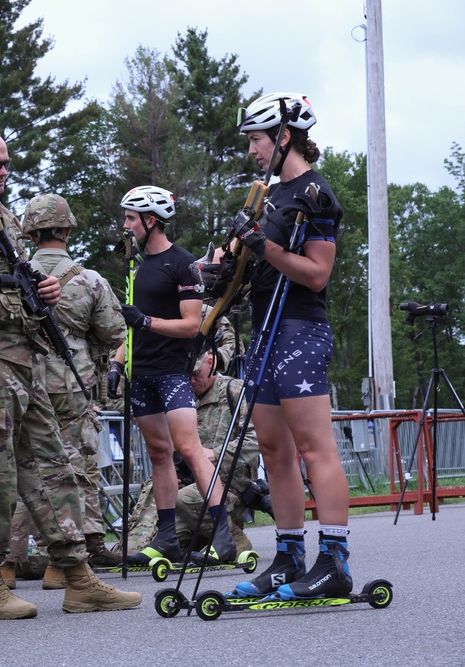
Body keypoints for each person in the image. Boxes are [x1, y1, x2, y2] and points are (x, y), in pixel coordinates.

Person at [0, 126, 141, 619]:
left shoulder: (3, 218)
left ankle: (78, 576)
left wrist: (45, 291)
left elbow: (13, 281)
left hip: (25, 358)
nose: (1, 172)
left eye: (5, 164)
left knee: (52, 464)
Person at [230, 92, 349, 600]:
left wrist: (267, 248)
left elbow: (318, 276)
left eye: (257, 139)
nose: (252, 150)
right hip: (264, 329)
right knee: (274, 452)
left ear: (283, 137)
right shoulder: (267, 195)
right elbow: (252, 262)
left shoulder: (316, 194)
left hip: (300, 328)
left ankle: (334, 560)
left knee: (312, 447)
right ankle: (288, 556)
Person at [7, 193, 127, 588]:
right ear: (68, 229)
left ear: (30, 231)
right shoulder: (90, 280)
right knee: (71, 469)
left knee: (27, 469)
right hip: (72, 383)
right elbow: (113, 333)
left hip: (22, 379)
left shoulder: (12, 275)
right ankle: (66, 562)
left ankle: (10, 560)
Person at [117, 185, 237, 566]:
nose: (125, 225)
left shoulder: (182, 264)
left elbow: (190, 325)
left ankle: (224, 536)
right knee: (159, 454)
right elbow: (131, 327)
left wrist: (147, 321)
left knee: (190, 449)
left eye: (131, 218)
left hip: (171, 372)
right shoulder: (137, 266)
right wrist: (116, 363)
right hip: (143, 373)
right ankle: (166, 538)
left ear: (151, 221)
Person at [176, 350, 259, 553]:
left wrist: (214, 454)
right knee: (175, 543)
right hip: (193, 482)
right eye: (185, 375)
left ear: (211, 362)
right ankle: (208, 540)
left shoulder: (236, 391)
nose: (191, 380)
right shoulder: (183, 400)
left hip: (232, 483)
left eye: (195, 373)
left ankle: (235, 541)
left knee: (184, 499)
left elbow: (257, 439)